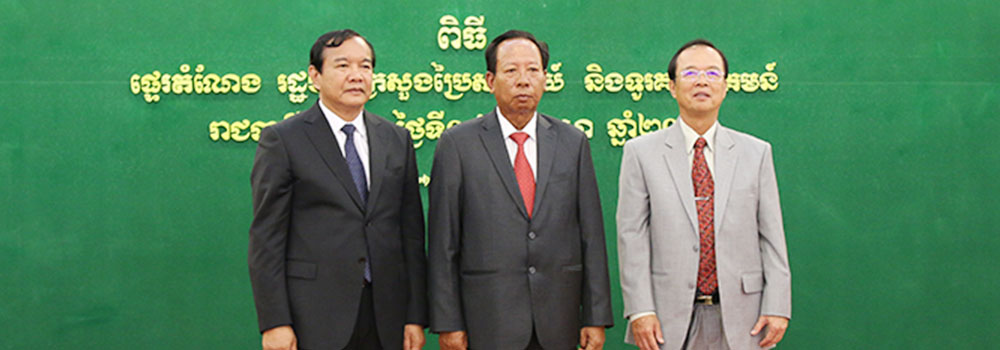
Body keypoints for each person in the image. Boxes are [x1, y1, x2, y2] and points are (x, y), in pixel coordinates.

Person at [427, 30, 614, 350]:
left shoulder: (572, 142)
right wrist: (448, 322)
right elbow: (444, 241)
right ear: (490, 80)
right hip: (487, 321)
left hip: (559, 320)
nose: (523, 80)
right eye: (511, 71)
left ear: (545, 78)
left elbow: (591, 236)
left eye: (533, 70)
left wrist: (595, 317)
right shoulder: (458, 144)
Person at [248, 29, 427, 350]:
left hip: (385, 315)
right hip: (314, 315)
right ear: (315, 76)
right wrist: (275, 321)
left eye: (366, 66)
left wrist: (414, 315)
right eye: (343, 66)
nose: (356, 76)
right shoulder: (284, 140)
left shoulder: (396, 139)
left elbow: (411, 234)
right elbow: (267, 239)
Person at [616, 39, 791, 350]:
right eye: (690, 73)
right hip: (666, 319)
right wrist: (640, 309)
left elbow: (772, 236)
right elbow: (632, 237)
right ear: (671, 86)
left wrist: (777, 305)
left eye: (712, 74)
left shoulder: (756, 153)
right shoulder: (640, 152)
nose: (701, 81)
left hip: (743, 316)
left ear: (725, 86)